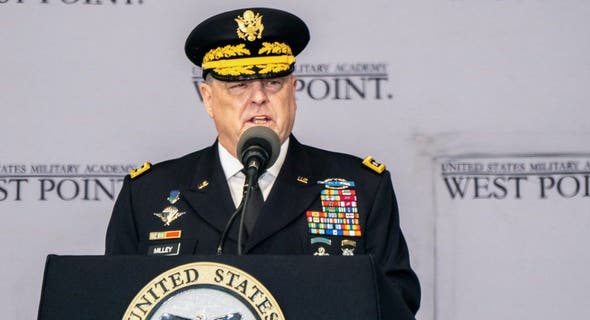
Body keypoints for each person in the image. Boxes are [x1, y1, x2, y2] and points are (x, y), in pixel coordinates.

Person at [105, 7, 420, 315]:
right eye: (239, 85)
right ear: (208, 98)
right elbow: (116, 302)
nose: (258, 97)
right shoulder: (148, 194)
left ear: (293, 91)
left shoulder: (362, 187)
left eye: (273, 82)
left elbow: (398, 303)